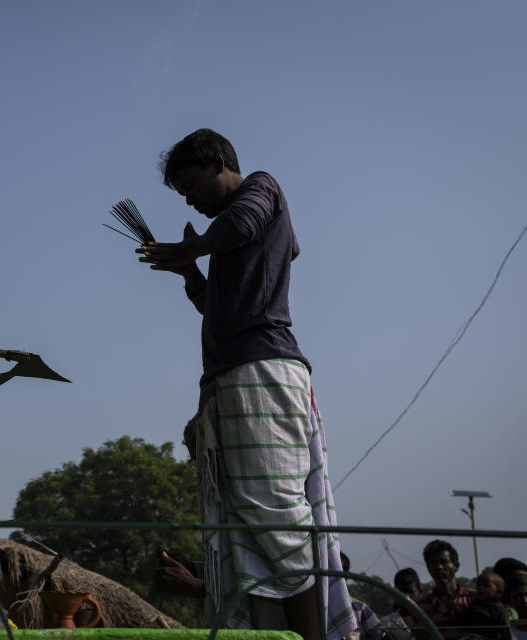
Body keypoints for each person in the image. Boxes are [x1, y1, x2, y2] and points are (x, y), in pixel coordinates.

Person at [137, 129, 356, 640]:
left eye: (190, 185)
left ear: (218, 162)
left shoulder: (261, 189)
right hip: (240, 375)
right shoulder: (235, 235)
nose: (188, 199)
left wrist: (193, 245)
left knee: (276, 518)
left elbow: (244, 220)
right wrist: (190, 269)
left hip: (260, 372)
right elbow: (219, 303)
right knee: (250, 530)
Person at [418, 540, 477, 640]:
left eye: (444, 561)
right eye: (433, 562)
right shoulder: (422, 607)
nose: (439, 567)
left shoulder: (475, 598)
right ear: (428, 568)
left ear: (456, 566)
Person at [458, 571, 511, 640]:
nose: (481, 587)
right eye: (478, 585)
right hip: (471, 636)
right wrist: (460, 612)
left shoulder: (499, 609)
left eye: (486, 586)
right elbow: (465, 621)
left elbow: (505, 630)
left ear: (498, 591)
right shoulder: (474, 604)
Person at [379, 568, 425, 640]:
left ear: (420, 592)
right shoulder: (386, 623)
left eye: (410, 592)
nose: (406, 597)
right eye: (402, 593)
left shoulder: (432, 617)